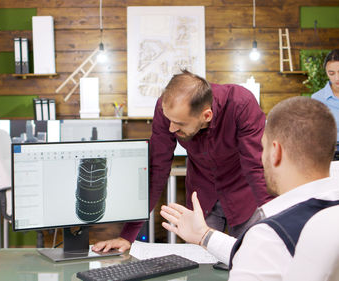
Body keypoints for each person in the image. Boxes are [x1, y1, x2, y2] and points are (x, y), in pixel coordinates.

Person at [160, 97, 339, 280]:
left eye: (263, 147)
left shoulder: (269, 235)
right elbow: (263, 257)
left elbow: (262, 252)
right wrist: (204, 235)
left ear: (276, 152)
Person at [93, 70, 274, 253]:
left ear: (206, 116)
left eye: (179, 124)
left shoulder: (241, 104)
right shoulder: (168, 110)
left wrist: (278, 222)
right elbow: (157, 169)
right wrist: (127, 236)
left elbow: (256, 167)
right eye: (169, 121)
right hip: (202, 198)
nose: (171, 128)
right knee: (199, 263)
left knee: (249, 257)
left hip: (243, 193)